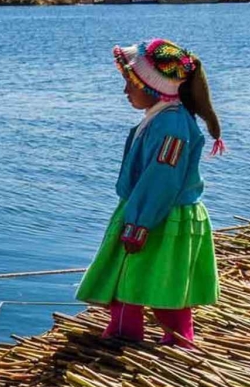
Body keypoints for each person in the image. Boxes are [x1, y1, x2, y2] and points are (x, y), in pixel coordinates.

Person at [77, 38, 223, 346]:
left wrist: (139, 221)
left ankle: (177, 339)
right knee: (126, 272)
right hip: (146, 209)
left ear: (155, 88)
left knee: (159, 279)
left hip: (161, 215)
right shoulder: (161, 117)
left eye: (131, 85)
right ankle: (124, 332)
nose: (125, 92)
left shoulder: (171, 126)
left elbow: (162, 178)